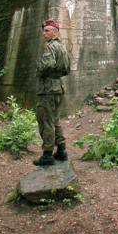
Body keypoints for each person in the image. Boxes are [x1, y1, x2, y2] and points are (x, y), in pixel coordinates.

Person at [33, 19, 72, 166]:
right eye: (44, 31)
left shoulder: (51, 47)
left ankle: (47, 154)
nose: (44, 33)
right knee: (55, 121)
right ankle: (61, 150)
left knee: (46, 120)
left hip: (48, 89)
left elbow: (48, 64)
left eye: (47, 31)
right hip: (58, 87)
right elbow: (67, 69)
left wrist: (39, 72)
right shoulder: (62, 47)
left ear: (54, 33)